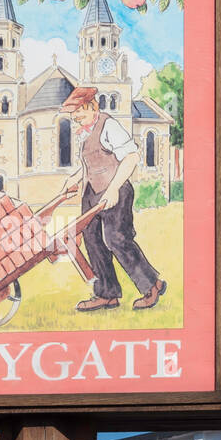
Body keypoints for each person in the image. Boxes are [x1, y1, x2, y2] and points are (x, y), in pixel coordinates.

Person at [58, 87, 166, 311]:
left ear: (93, 107)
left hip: (116, 191)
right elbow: (92, 163)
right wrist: (75, 179)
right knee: (93, 241)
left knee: (117, 239)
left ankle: (151, 285)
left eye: (80, 114)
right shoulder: (86, 132)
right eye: (74, 117)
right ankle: (107, 294)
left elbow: (131, 156)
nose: (77, 119)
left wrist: (114, 189)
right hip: (92, 193)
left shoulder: (109, 125)